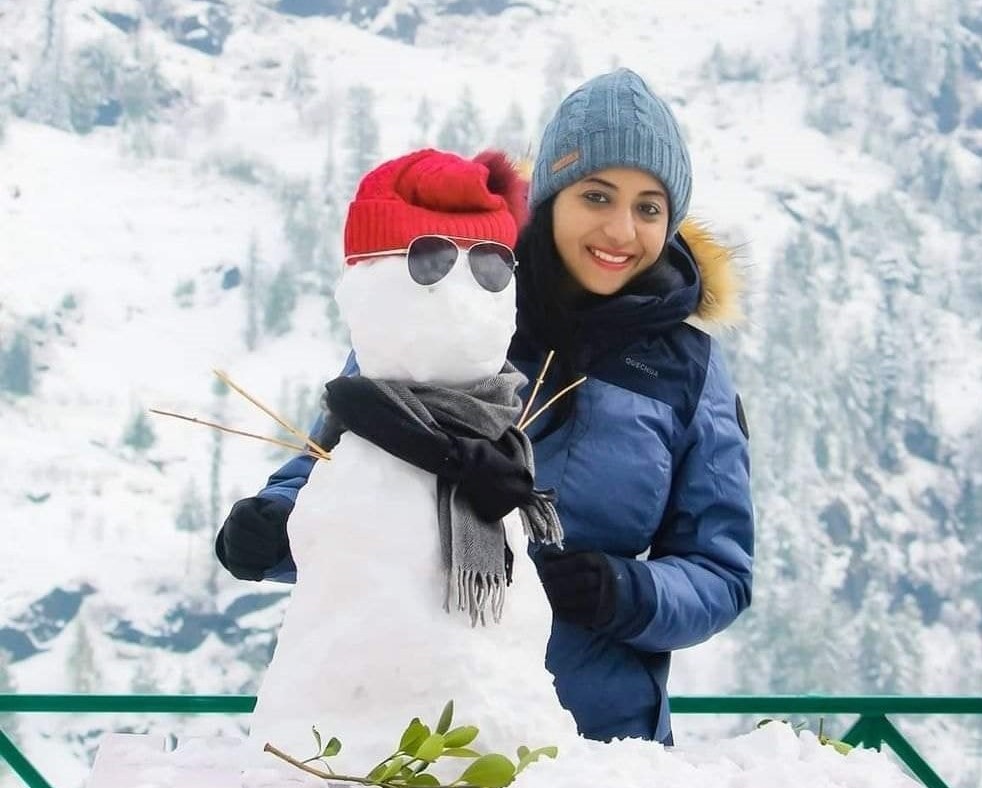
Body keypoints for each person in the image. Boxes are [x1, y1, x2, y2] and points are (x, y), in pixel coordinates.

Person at [216, 68, 754, 746]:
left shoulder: (689, 369)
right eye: (597, 195)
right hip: (409, 729)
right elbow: (349, 461)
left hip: (603, 746)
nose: (623, 229)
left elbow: (720, 569)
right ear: (554, 196)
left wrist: (624, 591)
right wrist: (274, 527)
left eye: (649, 207)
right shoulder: (464, 299)